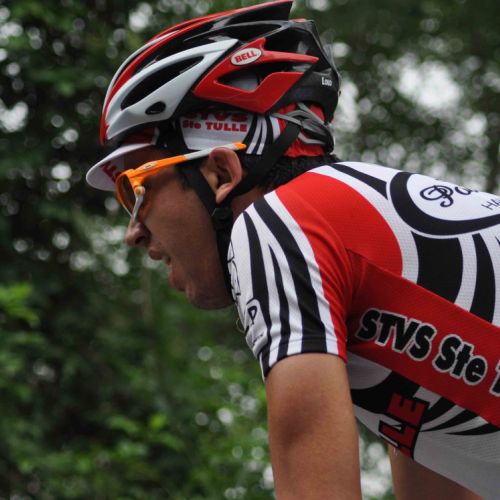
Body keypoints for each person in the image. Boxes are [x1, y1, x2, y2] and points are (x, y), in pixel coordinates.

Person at [86, 1, 500, 498]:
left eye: (135, 189)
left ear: (220, 173)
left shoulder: (281, 221)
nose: (133, 232)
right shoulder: (385, 309)